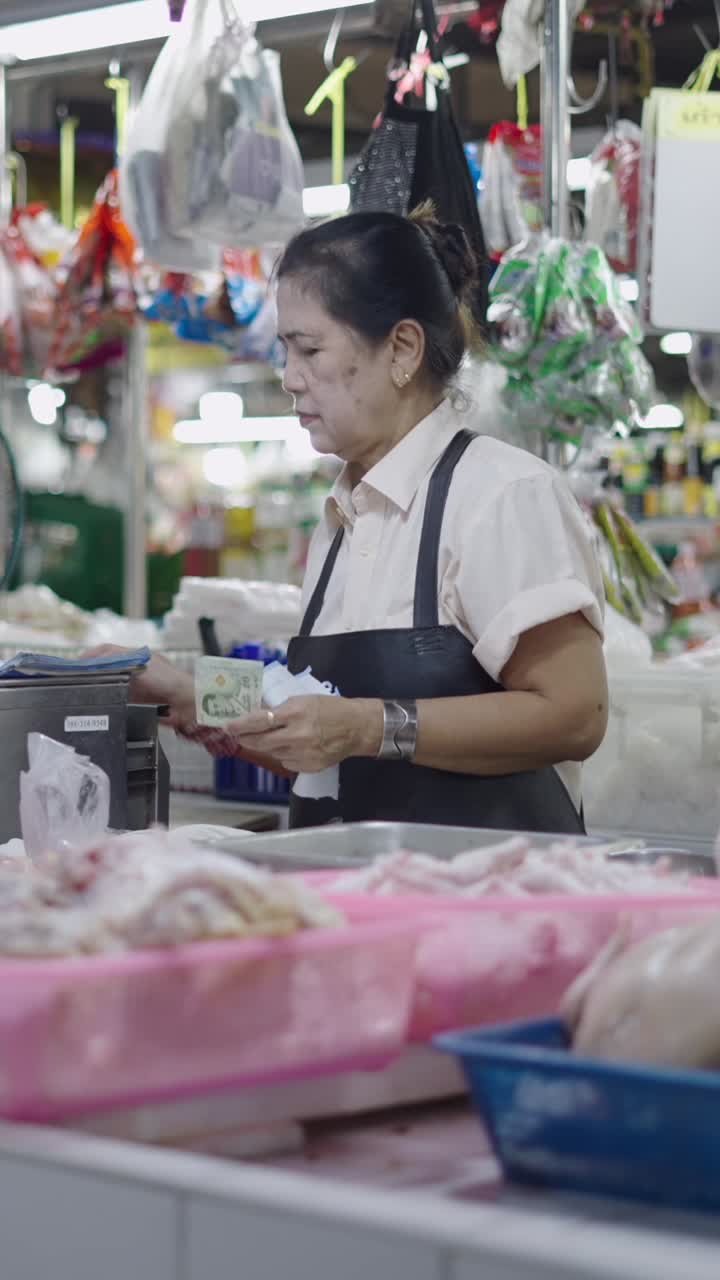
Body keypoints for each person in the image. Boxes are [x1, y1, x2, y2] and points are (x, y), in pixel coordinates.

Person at [124, 205, 608, 832]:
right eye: (285, 352)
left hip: (487, 905)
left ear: (402, 348)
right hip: (361, 900)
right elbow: (318, 722)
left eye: (310, 350)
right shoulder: (344, 514)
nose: (290, 379)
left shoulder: (500, 495)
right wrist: (186, 692)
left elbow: (576, 713)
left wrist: (372, 727)